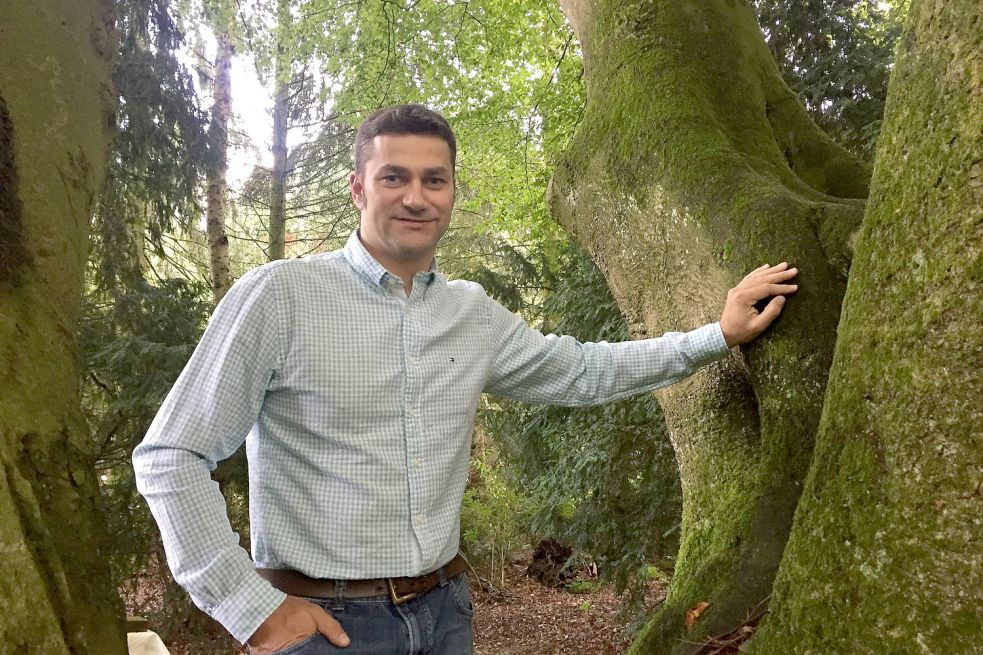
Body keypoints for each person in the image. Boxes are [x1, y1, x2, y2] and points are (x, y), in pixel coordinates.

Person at [133, 104, 798, 655]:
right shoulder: (279, 297)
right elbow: (171, 455)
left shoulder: (468, 312)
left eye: (434, 179)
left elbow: (581, 369)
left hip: (445, 614)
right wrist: (251, 608)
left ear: (452, 191)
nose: (416, 197)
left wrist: (717, 335)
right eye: (394, 177)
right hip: (325, 627)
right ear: (358, 188)